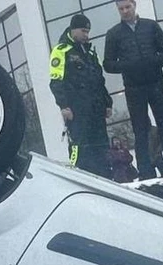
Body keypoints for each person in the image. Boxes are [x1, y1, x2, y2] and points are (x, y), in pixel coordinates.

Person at [104, 0, 163, 179]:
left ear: (134, 5)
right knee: (140, 130)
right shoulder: (114, 34)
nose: (125, 11)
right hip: (133, 88)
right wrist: (128, 66)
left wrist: (154, 62)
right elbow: (108, 64)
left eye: (127, 7)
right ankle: (145, 171)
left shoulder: (151, 26)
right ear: (118, 10)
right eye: (121, 9)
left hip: (155, 83)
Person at [49, 14, 113, 178]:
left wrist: (107, 103)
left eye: (88, 31)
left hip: (96, 108)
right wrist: (64, 106)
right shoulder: (61, 51)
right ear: (73, 30)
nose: (87, 35)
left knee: (101, 145)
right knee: (80, 145)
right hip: (77, 109)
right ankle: (81, 177)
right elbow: (56, 81)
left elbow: (99, 80)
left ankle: (106, 177)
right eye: (84, 31)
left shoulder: (91, 52)